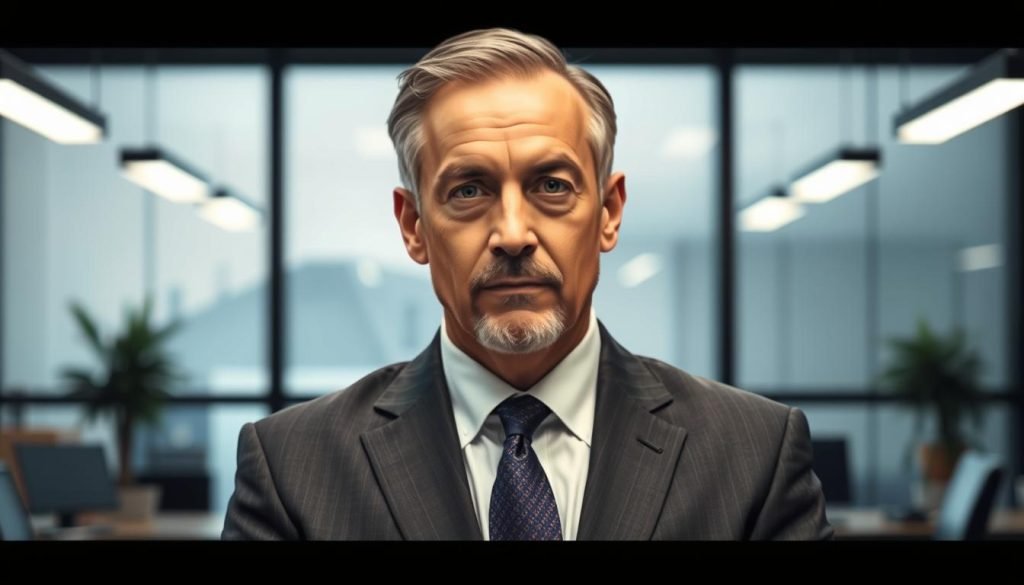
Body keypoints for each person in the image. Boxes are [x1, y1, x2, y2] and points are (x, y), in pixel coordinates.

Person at [222, 28, 834, 540]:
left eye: (552, 186)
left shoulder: (755, 456)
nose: (513, 233)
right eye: (468, 190)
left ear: (609, 212)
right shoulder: (292, 470)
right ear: (413, 226)